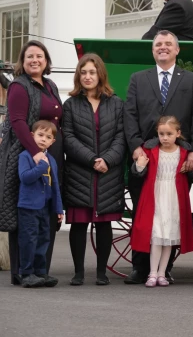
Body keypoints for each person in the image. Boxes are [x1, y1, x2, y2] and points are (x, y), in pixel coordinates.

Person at [123, 30, 193, 285]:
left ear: (177, 49)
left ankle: (166, 268)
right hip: (145, 159)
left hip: (178, 162)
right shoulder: (139, 79)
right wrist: (136, 147)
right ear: (152, 50)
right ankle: (140, 267)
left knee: (173, 212)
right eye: (158, 44)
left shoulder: (191, 80)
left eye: (168, 44)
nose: (163, 47)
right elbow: (129, 115)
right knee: (142, 214)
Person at [0, 41, 64, 286]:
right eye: (29, 56)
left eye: (39, 56)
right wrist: (36, 151)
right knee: (25, 216)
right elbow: (17, 122)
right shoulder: (19, 85)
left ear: (46, 60)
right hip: (26, 152)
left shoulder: (51, 85)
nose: (35, 60)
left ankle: (41, 270)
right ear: (22, 61)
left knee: (45, 214)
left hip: (52, 152)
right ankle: (22, 272)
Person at [62, 54, 126, 286]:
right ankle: (78, 272)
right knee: (79, 223)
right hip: (81, 171)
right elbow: (67, 137)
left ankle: (101, 273)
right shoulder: (71, 105)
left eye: (92, 72)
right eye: (83, 72)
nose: (88, 76)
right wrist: (91, 159)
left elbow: (121, 136)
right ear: (78, 75)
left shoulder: (116, 103)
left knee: (103, 223)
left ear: (100, 74)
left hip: (108, 172)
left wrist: (107, 160)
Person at [130, 116, 193, 287]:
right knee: (157, 235)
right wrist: (140, 165)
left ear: (178, 134)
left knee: (169, 236)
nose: (165, 137)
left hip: (174, 196)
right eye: (161, 134)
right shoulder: (150, 150)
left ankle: (162, 273)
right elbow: (138, 173)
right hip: (155, 195)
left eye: (169, 133)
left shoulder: (184, 153)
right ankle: (152, 273)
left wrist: (190, 167)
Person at [16, 120, 63, 288]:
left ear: (53, 142)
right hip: (28, 206)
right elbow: (25, 177)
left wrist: (58, 208)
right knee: (29, 239)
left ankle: (40, 272)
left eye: (48, 137)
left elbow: (55, 185)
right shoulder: (26, 156)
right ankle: (26, 273)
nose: (43, 139)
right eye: (40, 135)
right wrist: (41, 166)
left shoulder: (52, 160)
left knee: (44, 239)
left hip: (45, 206)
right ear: (31, 136)